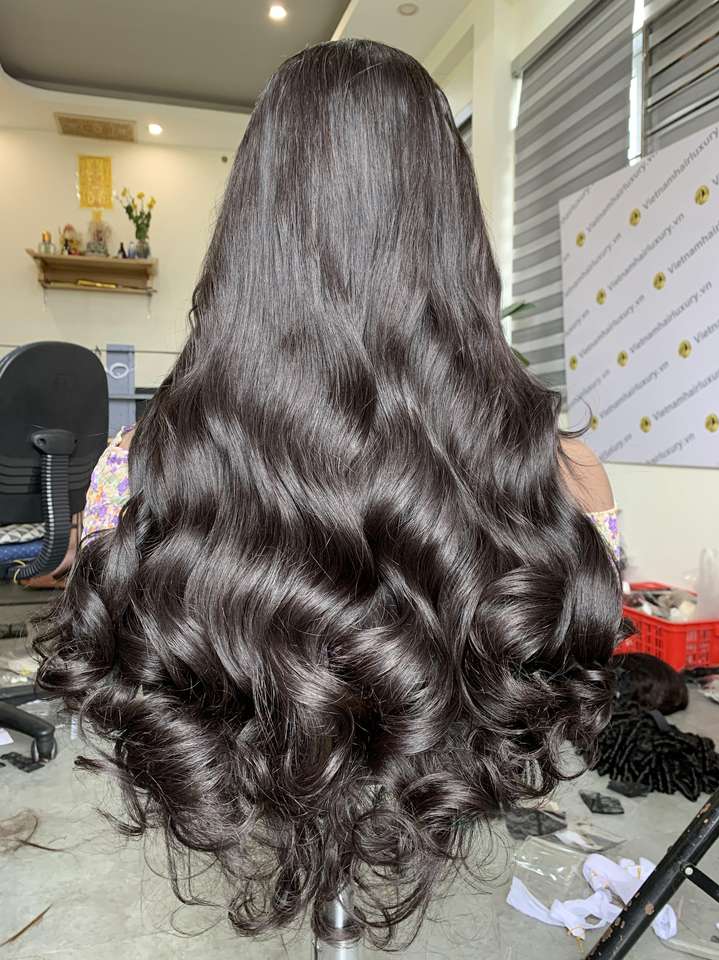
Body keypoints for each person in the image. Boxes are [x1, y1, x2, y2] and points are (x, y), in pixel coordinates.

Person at [36, 39, 624, 951]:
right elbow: (575, 656)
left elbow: (104, 645)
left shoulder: (139, 467)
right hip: (424, 787)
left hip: (260, 787)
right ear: (455, 231)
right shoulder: (562, 473)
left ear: (251, 228)